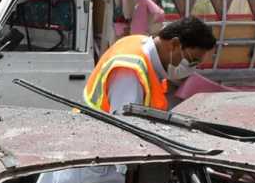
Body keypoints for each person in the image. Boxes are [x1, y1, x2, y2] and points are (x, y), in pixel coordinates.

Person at [82, 16, 217, 113]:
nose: (191, 69)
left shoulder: (139, 43)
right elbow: (125, 129)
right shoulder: (131, 73)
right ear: (175, 44)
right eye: (191, 61)